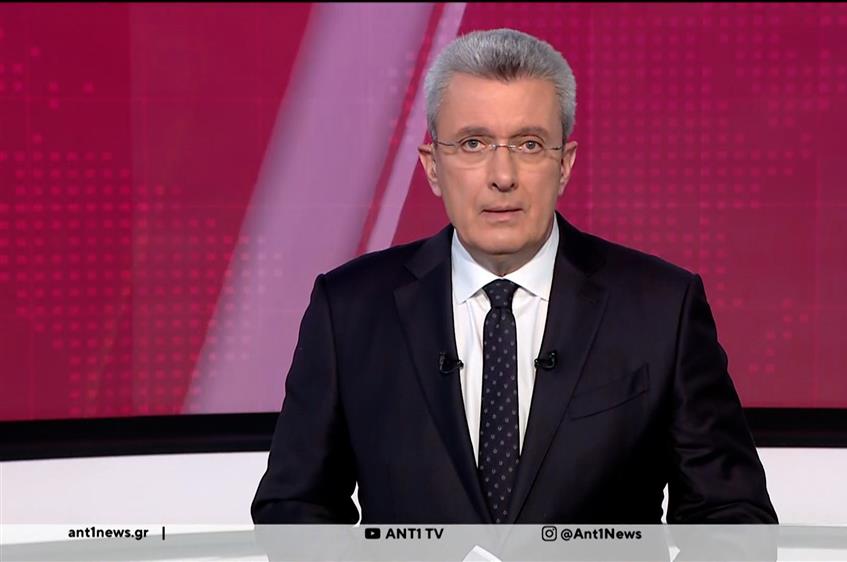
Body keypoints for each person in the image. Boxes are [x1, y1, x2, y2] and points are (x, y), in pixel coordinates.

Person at [251, 28, 777, 525]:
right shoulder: (348, 309)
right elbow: (294, 506)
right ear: (432, 166)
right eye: (473, 144)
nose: (502, 177)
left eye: (528, 145)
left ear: (564, 164)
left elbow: (732, 517)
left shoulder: (663, 308)